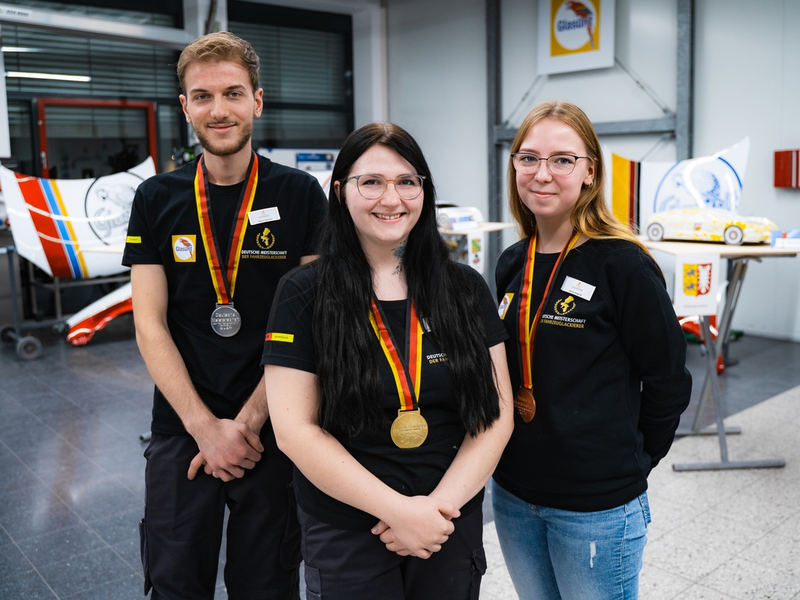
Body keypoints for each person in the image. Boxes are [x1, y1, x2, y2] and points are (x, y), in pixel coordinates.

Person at [262, 122, 514, 599]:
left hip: (447, 522)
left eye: (407, 182)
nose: (391, 198)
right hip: (347, 527)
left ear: (425, 191)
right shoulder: (304, 293)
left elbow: (494, 417)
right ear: (340, 192)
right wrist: (399, 512)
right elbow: (295, 431)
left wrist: (435, 511)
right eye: (371, 182)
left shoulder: (463, 288)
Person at [122, 31, 327, 599]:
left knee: (266, 585)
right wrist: (203, 428)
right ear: (185, 107)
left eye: (233, 93)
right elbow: (149, 323)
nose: (220, 110)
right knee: (174, 583)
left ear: (257, 101)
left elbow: (311, 323)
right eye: (203, 96)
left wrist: (247, 423)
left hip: (276, 426)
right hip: (182, 425)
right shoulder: (157, 198)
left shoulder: (301, 193)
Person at [492, 101, 692, 599]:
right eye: (529, 157)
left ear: (590, 173)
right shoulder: (511, 262)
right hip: (514, 492)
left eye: (562, 159)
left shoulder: (622, 264)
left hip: (595, 507)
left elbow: (668, 379)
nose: (542, 173)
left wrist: (634, 463)